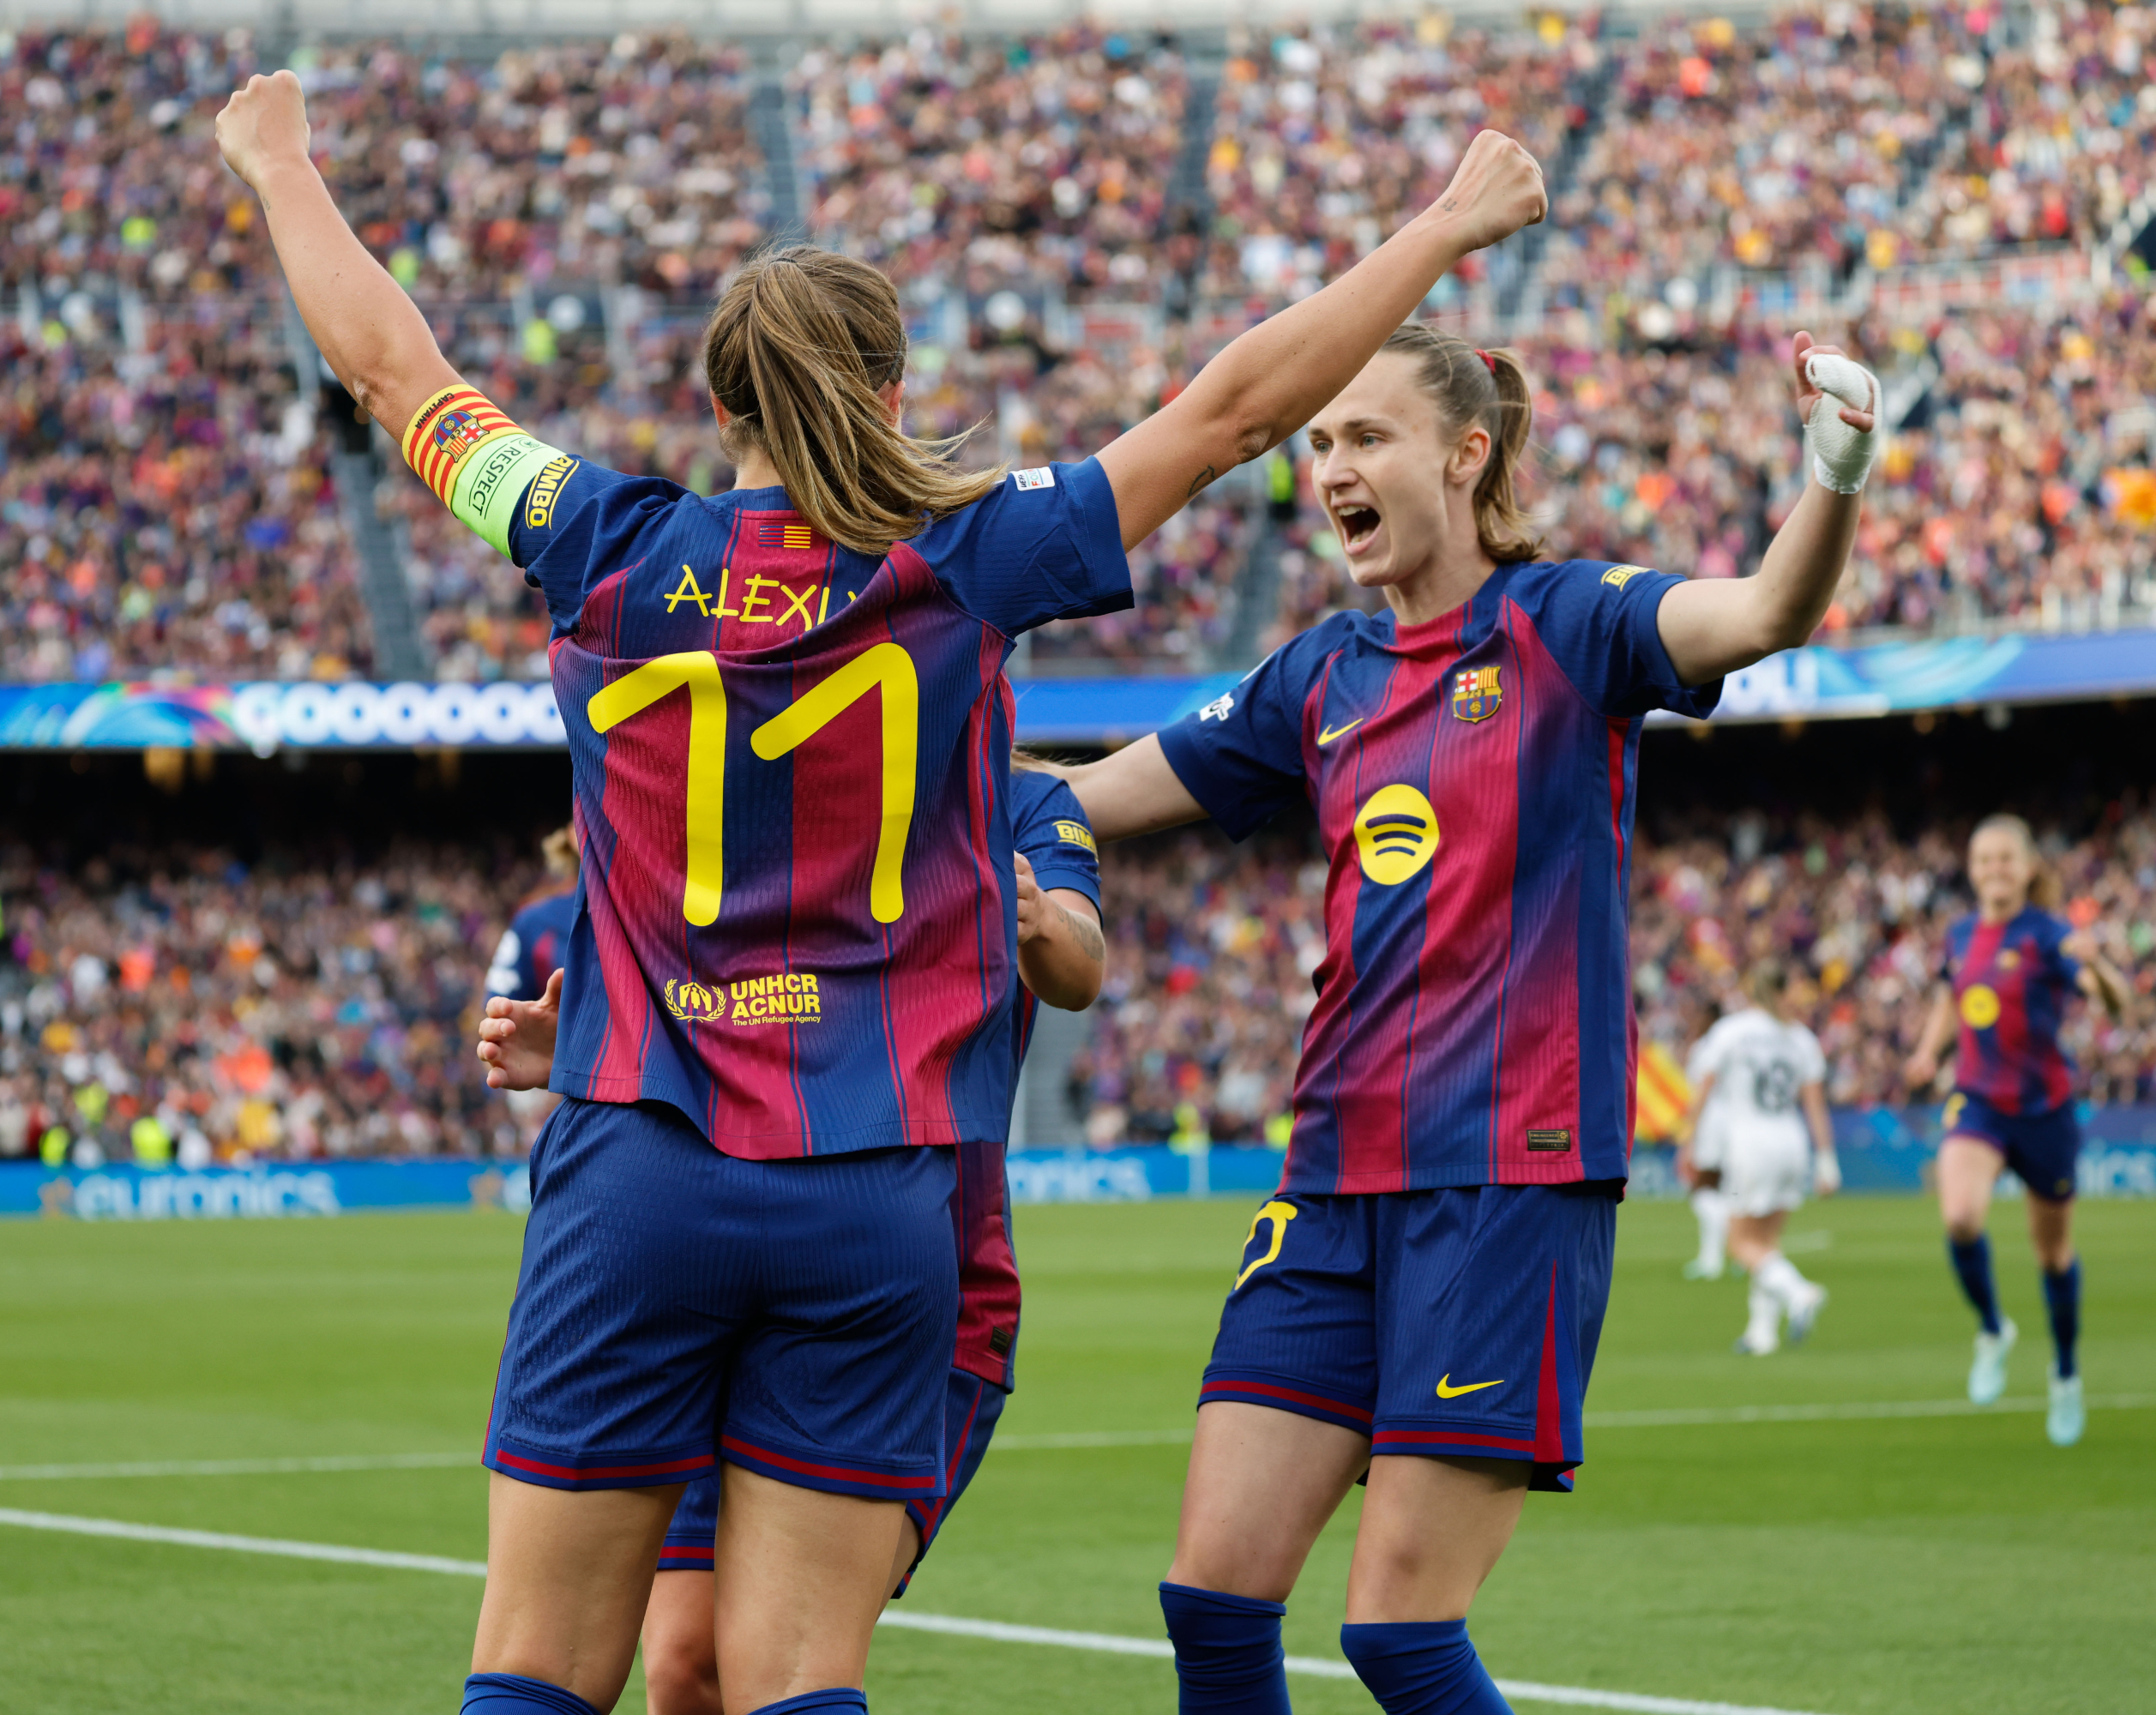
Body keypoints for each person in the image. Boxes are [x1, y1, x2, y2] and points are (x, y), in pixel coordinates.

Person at [217, 64, 1551, 1715]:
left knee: (539, 1674)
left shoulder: (594, 542)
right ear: (892, 389)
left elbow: (387, 366)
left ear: (721, 410)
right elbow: (1232, 416)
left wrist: (277, 162)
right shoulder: (968, 556)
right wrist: (1438, 227)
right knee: (790, 1681)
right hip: (875, 1195)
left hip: (639, 1157)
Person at [1060, 320, 1877, 1714]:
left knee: (1397, 1637)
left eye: (1361, 438)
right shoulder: (1315, 675)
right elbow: (1078, 798)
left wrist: (1834, 470)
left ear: (1464, 451)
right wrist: (875, 750)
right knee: (1208, 1606)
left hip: (1505, 1184)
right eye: (1316, 445)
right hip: (1326, 1190)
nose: (1328, 470)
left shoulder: (1568, 624)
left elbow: (1756, 618)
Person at [479, 762, 1104, 1714]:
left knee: (764, 1655)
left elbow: (1081, 968)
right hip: (699, 1232)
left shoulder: (1021, 799)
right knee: (686, 1656)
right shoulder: (760, 766)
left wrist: (1039, 917)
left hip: (919, 1254)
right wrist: (592, 1045)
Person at [1903, 814, 2130, 1447]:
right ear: (1971, 870)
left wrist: (2104, 969)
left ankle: (2064, 1373)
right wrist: (1928, 1051)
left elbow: (2110, 1002)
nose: (1994, 870)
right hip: (1977, 1103)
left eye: (2006, 859)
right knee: (1960, 1218)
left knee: (2053, 1254)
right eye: (1984, 860)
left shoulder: (2051, 935)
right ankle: (1994, 1328)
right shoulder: (1961, 934)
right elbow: (1952, 997)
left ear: (2029, 868)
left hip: (2044, 1111)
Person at [1688, 961, 1838, 1355]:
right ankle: (1762, 1333)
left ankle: (1799, 1293)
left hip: (1750, 1144)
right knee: (1768, 1240)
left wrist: (1689, 1144)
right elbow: (1815, 1104)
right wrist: (1826, 1159)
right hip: (1792, 1142)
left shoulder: (1731, 1032)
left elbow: (1703, 1090)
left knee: (1741, 1243)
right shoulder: (1801, 1038)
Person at [485, 827, 581, 1143]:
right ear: (573, 835)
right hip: (557, 1093)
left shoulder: (666, 913)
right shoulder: (535, 920)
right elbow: (499, 1007)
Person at [1679, 1011, 1733, 1280]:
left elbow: (1701, 1090)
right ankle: (1712, 1259)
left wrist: (1689, 1133)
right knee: (1722, 1191)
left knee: (1701, 1191)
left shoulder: (1704, 1048)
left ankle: (1734, 1238)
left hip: (1711, 1123)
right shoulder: (1735, 1046)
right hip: (1736, 1123)